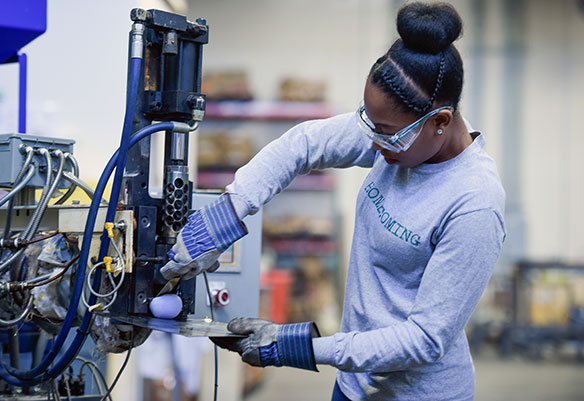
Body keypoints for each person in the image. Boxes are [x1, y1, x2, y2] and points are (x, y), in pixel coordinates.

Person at [160, 2, 506, 400]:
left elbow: (423, 339)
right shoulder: (400, 138)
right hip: (355, 384)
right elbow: (304, 145)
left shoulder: (473, 203)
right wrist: (226, 214)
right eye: (370, 126)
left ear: (440, 122)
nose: (375, 143)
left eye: (386, 133)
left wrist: (297, 345)